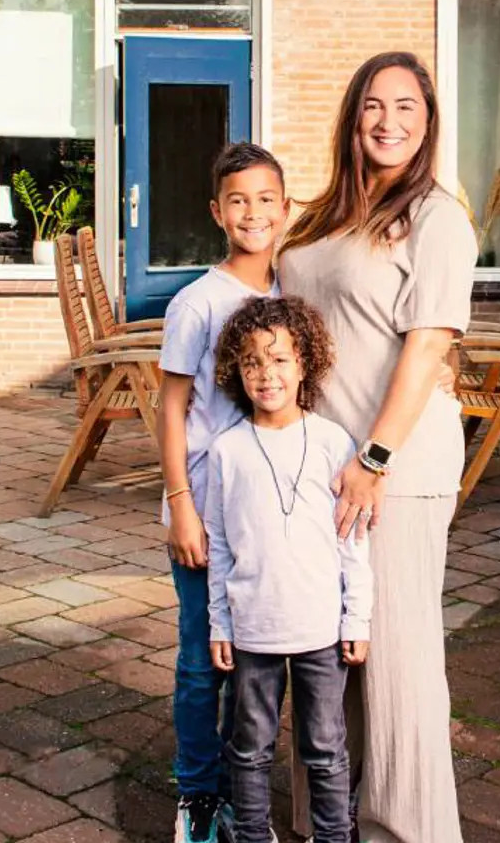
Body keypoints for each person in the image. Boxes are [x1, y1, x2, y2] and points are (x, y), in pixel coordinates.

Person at [278, 51, 477, 843]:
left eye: (406, 107)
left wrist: (374, 459)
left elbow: (428, 346)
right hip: (322, 470)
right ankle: (326, 821)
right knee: (327, 656)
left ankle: (410, 832)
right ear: (352, 118)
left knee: (396, 664)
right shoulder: (328, 212)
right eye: (372, 105)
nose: (388, 121)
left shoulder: (436, 218)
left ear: (427, 124)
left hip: (395, 469)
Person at [156, 141, 288, 843]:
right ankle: (198, 795)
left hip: (266, 517)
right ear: (216, 211)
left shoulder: (287, 296)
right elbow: (171, 405)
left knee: (256, 662)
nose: (253, 212)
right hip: (205, 514)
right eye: (238, 200)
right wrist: (180, 504)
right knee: (201, 661)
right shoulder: (197, 302)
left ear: (285, 207)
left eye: (266, 198)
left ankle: (245, 789)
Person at [205, 295, 371, 843]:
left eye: (279, 359)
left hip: (321, 630)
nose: (265, 374)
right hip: (253, 629)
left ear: (304, 365)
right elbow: (221, 547)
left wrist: (357, 620)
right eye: (252, 362)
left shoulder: (332, 443)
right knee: (249, 748)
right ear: (237, 370)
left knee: (325, 748)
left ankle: (333, 837)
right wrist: (220, 625)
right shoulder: (227, 451)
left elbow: (353, 542)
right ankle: (252, 834)